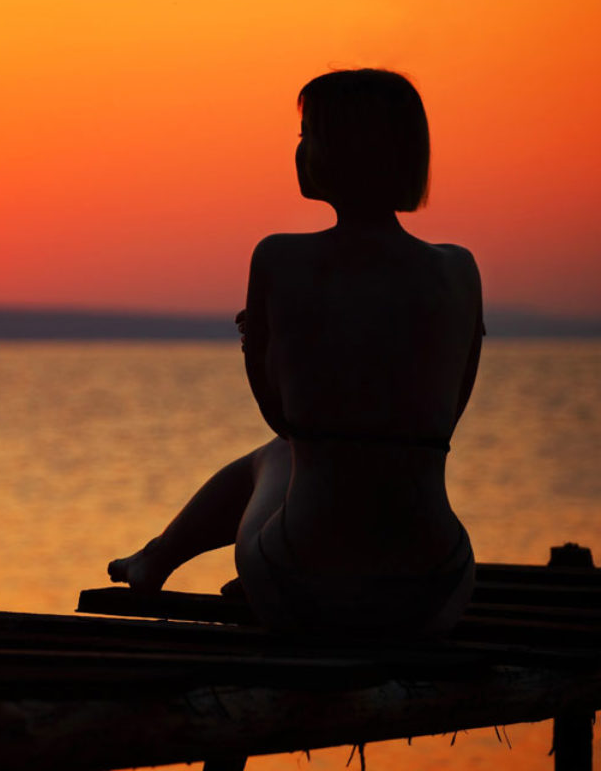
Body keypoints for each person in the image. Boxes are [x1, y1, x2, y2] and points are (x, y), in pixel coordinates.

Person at [108, 69, 482, 638]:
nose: (299, 151)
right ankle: (166, 558)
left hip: (303, 584)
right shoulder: (460, 270)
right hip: (434, 589)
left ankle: (156, 560)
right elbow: (446, 414)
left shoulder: (280, 259)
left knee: (277, 456)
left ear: (340, 151)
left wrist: (260, 345)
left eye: (308, 135)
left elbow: (281, 417)